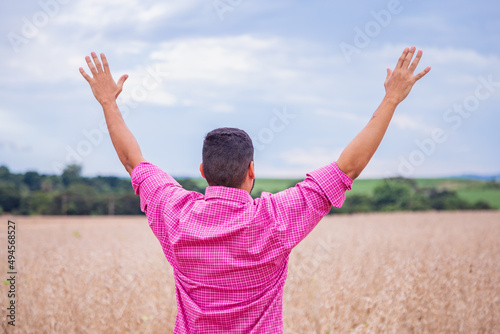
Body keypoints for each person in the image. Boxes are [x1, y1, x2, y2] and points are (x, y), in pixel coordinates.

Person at [80, 46, 430, 333]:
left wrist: (108, 102)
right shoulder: (274, 219)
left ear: (203, 171)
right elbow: (348, 168)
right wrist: (392, 99)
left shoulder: (176, 214)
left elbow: (132, 160)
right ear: (251, 171)